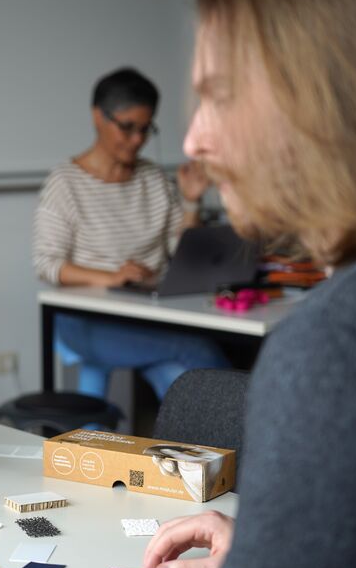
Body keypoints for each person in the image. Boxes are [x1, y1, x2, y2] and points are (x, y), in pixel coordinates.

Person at [140, 0, 356, 568]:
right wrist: (287, 547)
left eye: (220, 96)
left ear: (324, 102)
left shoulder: (334, 347)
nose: (192, 140)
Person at [32, 67, 229, 400]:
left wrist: (191, 201)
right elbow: (47, 264)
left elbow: (180, 256)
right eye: (127, 128)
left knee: (185, 383)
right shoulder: (65, 183)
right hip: (86, 323)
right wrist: (111, 277)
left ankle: (202, 447)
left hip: (149, 314)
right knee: (197, 351)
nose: (137, 140)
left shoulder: (153, 179)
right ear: (98, 117)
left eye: (145, 129)